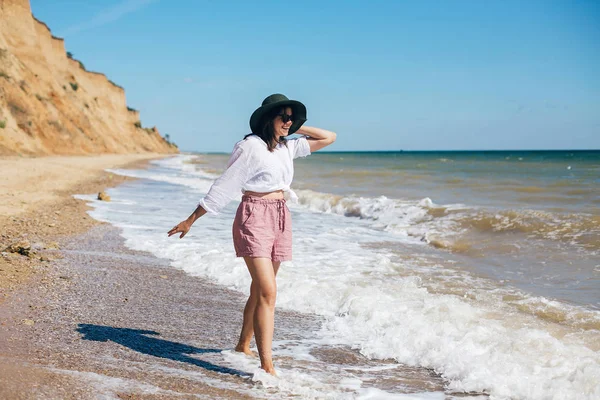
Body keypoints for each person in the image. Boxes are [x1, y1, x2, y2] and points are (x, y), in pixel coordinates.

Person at [167, 94, 336, 375]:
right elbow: (225, 185)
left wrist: (295, 127)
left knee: (260, 289)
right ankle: (267, 364)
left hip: (281, 216)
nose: (289, 121)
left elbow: (329, 137)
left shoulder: (287, 147)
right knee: (269, 290)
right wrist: (192, 219)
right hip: (254, 216)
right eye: (284, 116)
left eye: (292, 117)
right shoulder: (250, 147)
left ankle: (243, 344)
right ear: (268, 118)